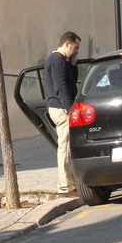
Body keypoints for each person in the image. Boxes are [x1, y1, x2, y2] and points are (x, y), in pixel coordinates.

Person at [43, 30, 81, 195]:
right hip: (61, 108)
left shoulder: (63, 60)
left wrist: (73, 63)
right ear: (67, 43)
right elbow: (62, 87)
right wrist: (70, 108)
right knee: (65, 147)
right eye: (76, 47)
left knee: (69, 146)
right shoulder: (57, 60)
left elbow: (71, 80)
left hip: (62, 106)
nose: (77, 50)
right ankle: (65, 186)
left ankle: (71, 182)